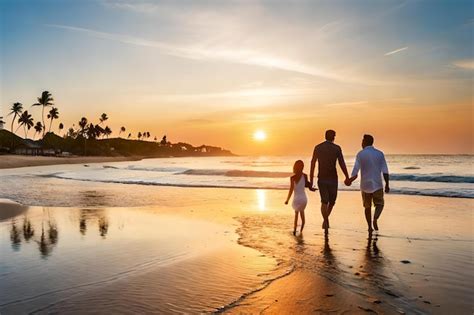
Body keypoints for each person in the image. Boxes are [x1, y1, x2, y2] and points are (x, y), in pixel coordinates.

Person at [345, 134, 390, 233]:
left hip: (365, 185)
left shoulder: (360, 154)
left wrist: (349, 180)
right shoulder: (380, 154)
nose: (361, 143)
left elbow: (355, 171)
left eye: (362, 141)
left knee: (367, 207)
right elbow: (385, 171)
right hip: (377, 184)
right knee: (380, 204)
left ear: (365, 142)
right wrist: (387, 184)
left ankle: (369, 227)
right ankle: (375, 218)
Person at [310, 130, 350, 231]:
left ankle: (325, 220)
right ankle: (326, 220)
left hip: (322, 178)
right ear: (333, 137)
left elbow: (313, 163)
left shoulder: (318, 147)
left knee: (325, 201)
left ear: (325, 136)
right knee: (331, 201)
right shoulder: (337, 148)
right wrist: (347, 176)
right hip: (332, 179)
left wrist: (311, 181)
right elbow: (342, 163)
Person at [285, 160, 315, 235]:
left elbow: (291, 190)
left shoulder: (292, 178)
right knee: (302, 214)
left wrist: (287, 200)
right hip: (304, 199)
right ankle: (301, 231)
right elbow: (308, 185)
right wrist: (312, 188)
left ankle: (295, 231)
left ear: (295, 167)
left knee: (296, 215)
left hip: (296, 199)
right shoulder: (305, 176)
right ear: (302, 167)